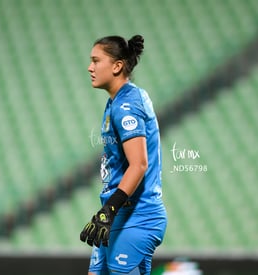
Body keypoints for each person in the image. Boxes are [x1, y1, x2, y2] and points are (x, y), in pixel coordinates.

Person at [80, 34, 168, 275]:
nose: (90, 67)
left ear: (117, 66)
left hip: (137, 217)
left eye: (96, 61)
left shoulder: (127, 104)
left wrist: (109, 209)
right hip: (119, 215)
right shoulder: (116, 102)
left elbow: (139, 164)